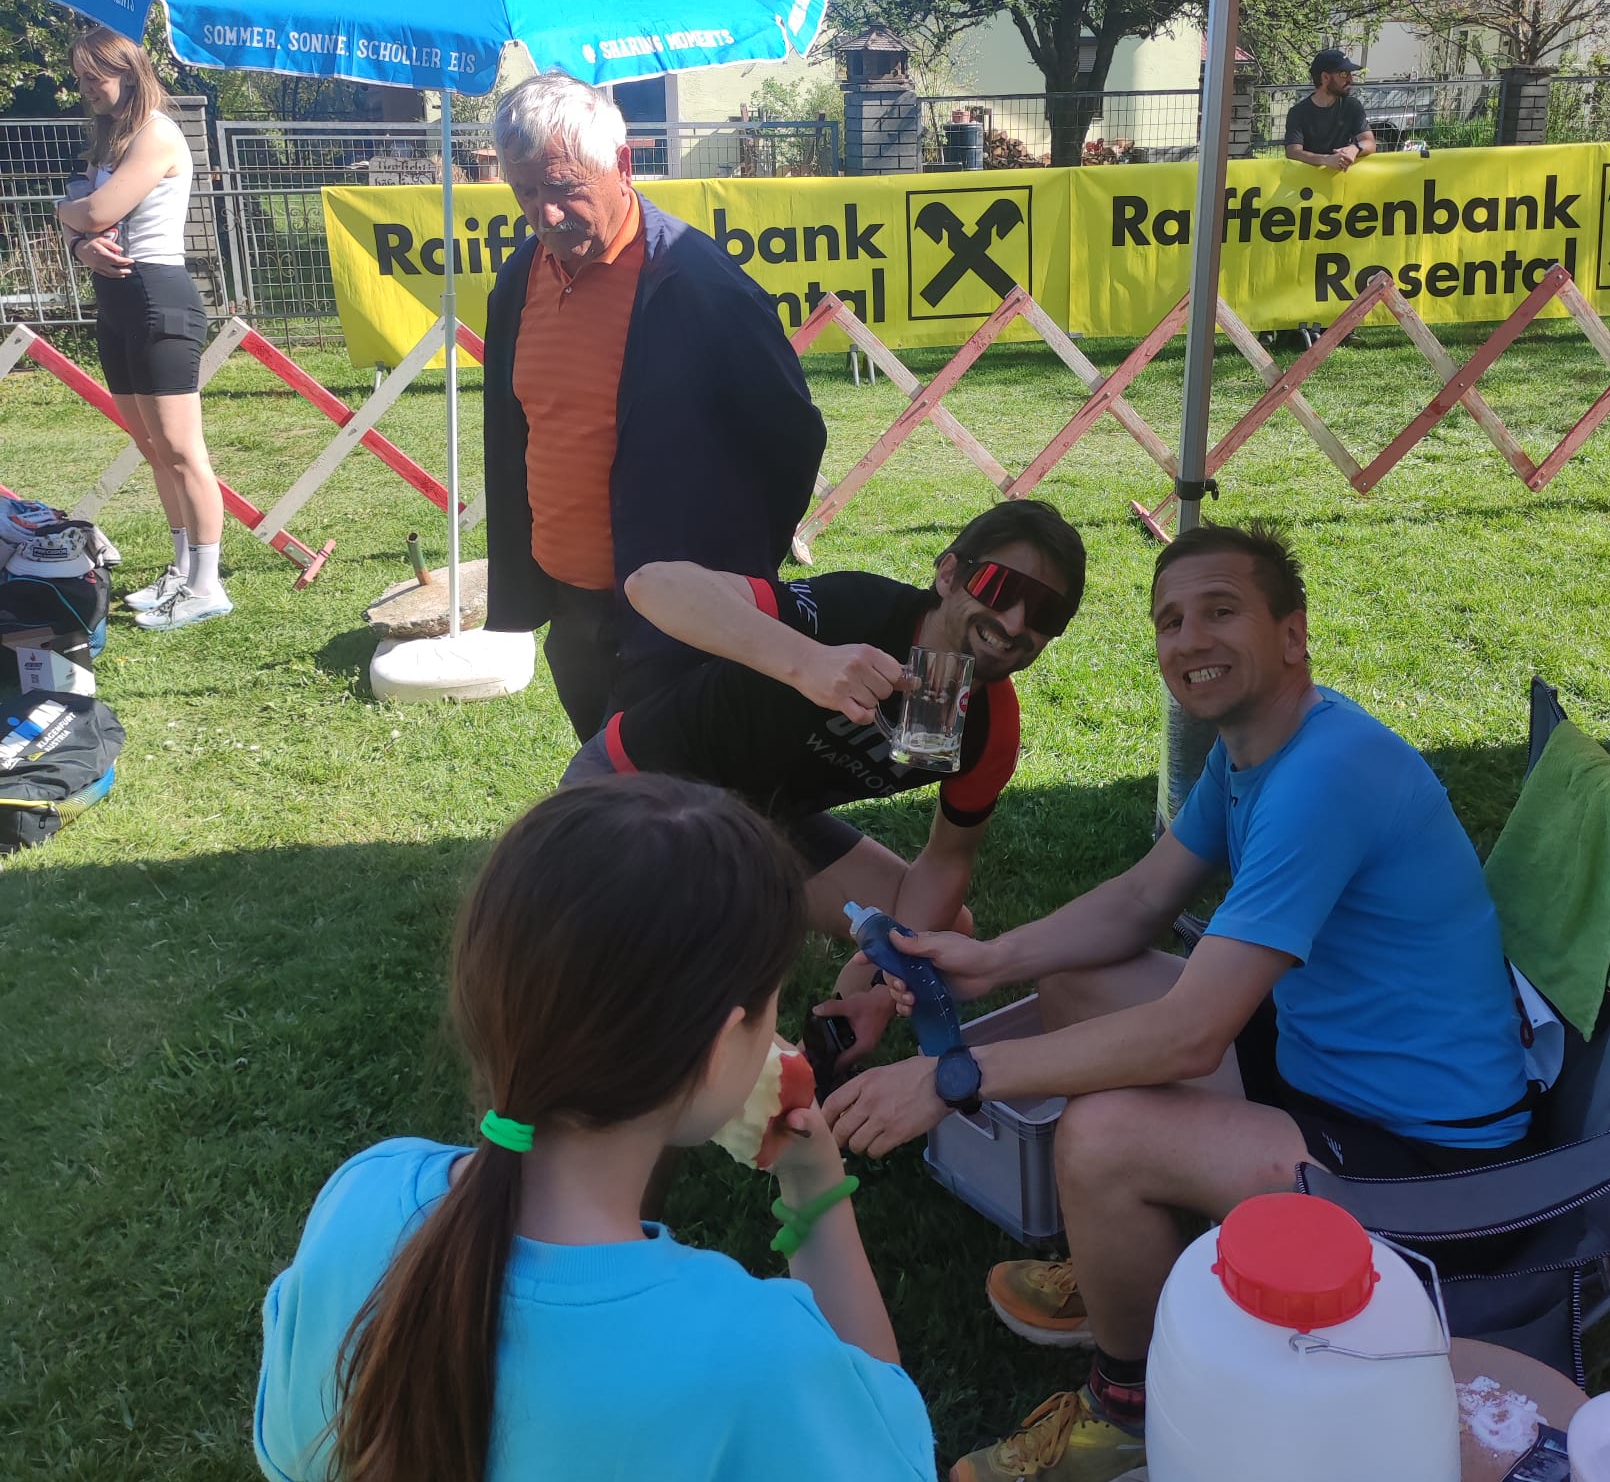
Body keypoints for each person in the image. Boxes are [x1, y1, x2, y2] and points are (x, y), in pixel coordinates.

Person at [824, 522, 1532, 1482]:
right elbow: (1141, 900)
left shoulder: (1326, 776)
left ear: (1293, 634)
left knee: (1102, 1139)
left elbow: (1192, 1036)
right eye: (1169, 621)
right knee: (1078, 980)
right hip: (1325, 1066)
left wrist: (953, 1075)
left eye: (1221, 611)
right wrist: (989, 960)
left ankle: (1130, 1416)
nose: (1189, 638)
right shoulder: (1254, 750)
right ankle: (1122, 1263)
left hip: (1426, 1162)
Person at [253, 774, 935, 1482]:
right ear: (717, 1050)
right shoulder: (750, 1355)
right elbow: (889, 1447)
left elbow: (289, 1449)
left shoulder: (361, 1193)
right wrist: (817, 1189)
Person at [564, 498, 1087, 1065]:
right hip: (643, 787)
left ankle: (833, 1022)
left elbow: (946, 861)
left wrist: (884, 986)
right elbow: (652, 585)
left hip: (768, 822)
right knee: (670, 989)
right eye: (999, 587)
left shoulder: (988, 728)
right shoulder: (859, 613)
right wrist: (807, 661)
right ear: (948, 575)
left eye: (1046, 612)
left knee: (944, 931)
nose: (1015, 622)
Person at [481, 71, 826, 741]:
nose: (544, 215)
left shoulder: (699, 285)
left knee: (683, 788)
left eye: (562, 187)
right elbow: (516, 433)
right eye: (525, 192)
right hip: (575, 613)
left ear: (622, 164)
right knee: (612, 776)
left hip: (682, 623)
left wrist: (733, 574)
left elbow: (791, 436)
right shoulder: (520, 278)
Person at [57, 27, 229, 629]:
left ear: (128, 73)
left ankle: (207, 584)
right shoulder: (110, 140)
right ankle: (182, 571)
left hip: (159, 296)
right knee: (153, 449)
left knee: (182, 450)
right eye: (80, 78)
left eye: (93, 77)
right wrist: (79, 244)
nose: (85, 89)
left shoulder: (156, 134)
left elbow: (95, 210)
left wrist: (65, 215)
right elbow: (86, 225)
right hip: (117, 302)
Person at [1284, 47, 1376, 173]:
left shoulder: (1352, 106)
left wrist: (1355, 148)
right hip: (1309, 182)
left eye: (1350, 74)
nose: (1350, 79)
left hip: (1343, 182)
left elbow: (1370, 142)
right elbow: (1293, 152)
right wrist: (1326, 160)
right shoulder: (1298, 112)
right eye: (1344, 74)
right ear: (1325, 77)